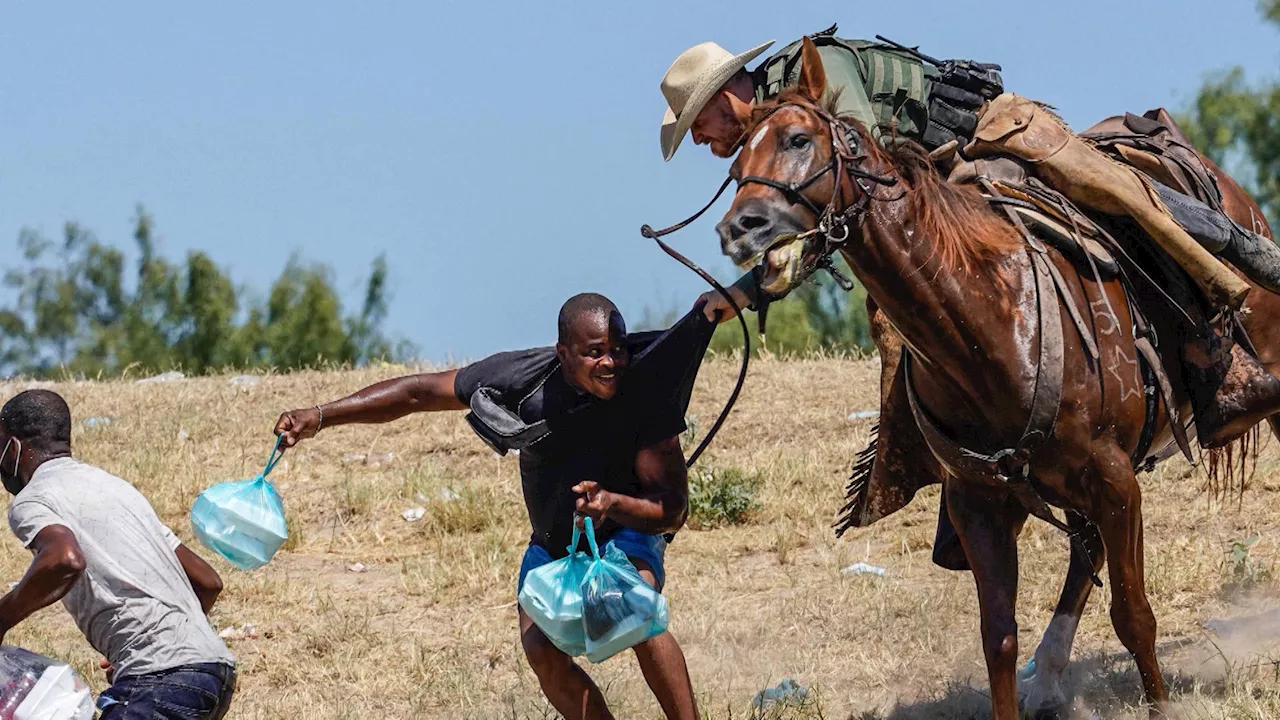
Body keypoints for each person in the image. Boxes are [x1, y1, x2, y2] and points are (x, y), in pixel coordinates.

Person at [662, 24, 1280, 452]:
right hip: (941, 189)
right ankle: (950, 458)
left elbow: (863, 184)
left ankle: (1217, 339)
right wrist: (746, 288)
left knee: (1121, 202)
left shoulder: (816, 78)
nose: (699, 140)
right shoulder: (777, 139)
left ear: (725, 95)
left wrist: (750, 287)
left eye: (698, 123)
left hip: (994, 138)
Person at [274, 293, 711, 720]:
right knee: (541, 649)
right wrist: (322, 415)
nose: (610, 362)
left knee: (635, 607)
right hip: (553, 545)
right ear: (563, 353)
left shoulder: (646, 391)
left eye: (617, 349)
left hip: (625, 529)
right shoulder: (521, 378)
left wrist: (612, 503)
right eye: (594, 352)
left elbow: (672, 511)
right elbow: (418, 392)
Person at [0, 389, 236, 720]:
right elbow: (208, 581)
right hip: (212, 671)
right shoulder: (117, 488)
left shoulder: (33, 499)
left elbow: (64, 559)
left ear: (13, 447)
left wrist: (3, 617)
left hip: (161, 679)